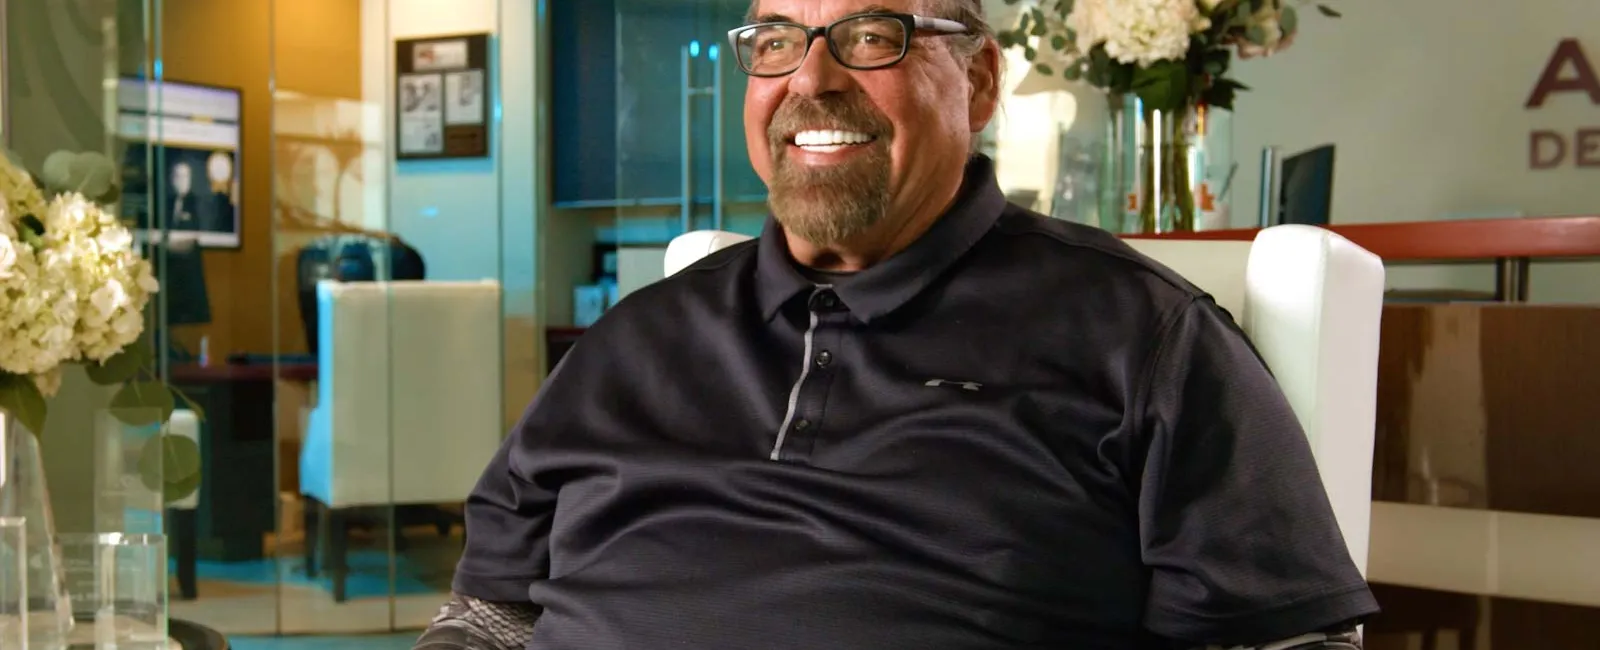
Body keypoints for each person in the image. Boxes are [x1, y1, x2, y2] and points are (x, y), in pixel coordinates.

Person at [415, 0, 1378, 648]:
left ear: (982, 83)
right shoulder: (634, 341)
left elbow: (1288, 639)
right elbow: (489, 615)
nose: (813, 80)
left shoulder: (1145, 338)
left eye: (872, 35)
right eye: (777, 41)